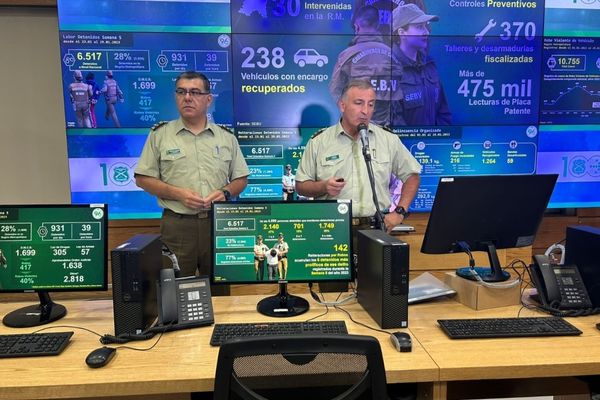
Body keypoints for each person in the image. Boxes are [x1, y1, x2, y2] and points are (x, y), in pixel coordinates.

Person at [135, 71, 249, 295]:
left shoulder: (226, 137)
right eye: (182, 92)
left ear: (208, 99)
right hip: (178, 226)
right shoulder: (160, 135)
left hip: (217, 225)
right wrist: (178, 194)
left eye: (195, 92)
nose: (187, 97)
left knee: (219, 292)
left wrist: (225, 193)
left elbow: (241, 179)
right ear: (176, 96)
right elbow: (143, 178)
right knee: (174, 294)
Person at [295, 79, 421, 236]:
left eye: (371, 104)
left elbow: (412, 176)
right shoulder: (319, 142)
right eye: (359, 103)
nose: (365, 111)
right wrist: (324, 186)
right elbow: (301, 186)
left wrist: (399, 212)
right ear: (342, 106)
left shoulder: (388, 139)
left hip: (377, 228)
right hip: (332, 227)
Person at [329, 5, 401, 126]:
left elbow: (335, 89)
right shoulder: (393, 55)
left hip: (355, 128)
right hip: (387, 129)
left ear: (356, 27)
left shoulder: (347, 55)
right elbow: (399, 97)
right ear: (377, 25)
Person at [390, 3, 451, 126]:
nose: (426, 32)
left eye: (425, 26)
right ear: (402, 32)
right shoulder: (389, 69)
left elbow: (443, 111)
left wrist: (440, 135)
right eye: (419, 27)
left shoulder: (429, 65)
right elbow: (392, 121)